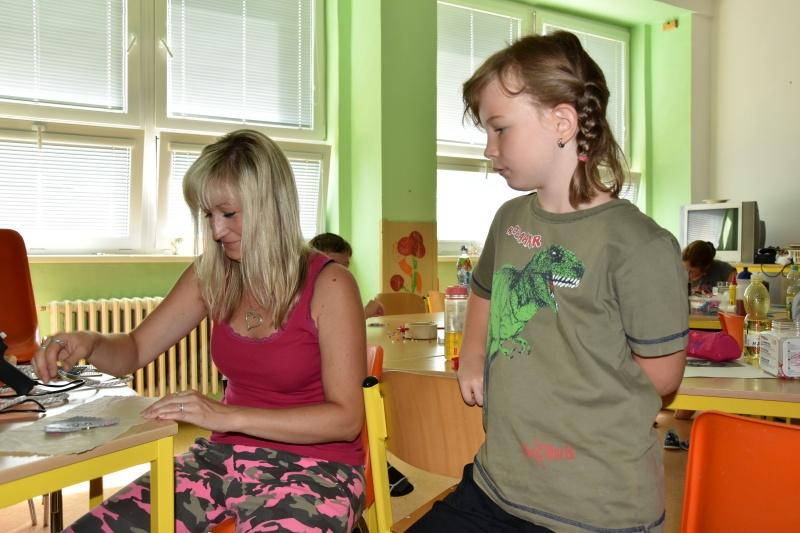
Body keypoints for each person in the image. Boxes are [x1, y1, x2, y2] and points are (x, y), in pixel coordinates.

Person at [409, 32, 688, 533]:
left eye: (500, 129)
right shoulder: (509, 219)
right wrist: (472, 354)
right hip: (497, 487)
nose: (489, 149)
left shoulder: (639, 244)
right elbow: (485, 289)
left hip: (596, 509)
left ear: (562, 122)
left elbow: (662, 377)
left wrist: (567, 391)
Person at [33, 130, 368, 532]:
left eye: (228, 214)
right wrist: (90, 342)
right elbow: (135, 349)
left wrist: (226, 414)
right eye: (208, 215)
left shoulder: (331, 285)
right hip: (222, 459)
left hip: (318, 469)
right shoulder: (210, 275)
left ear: (270, 207)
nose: (215, 231)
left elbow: (345, 419)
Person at [309, 231, 415, 498]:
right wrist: (364, 312)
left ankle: (377, 464)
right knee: (359, 402)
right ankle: (376, 466)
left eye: (344, 266)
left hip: (331, 386)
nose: (338, 272)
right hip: (316, 392)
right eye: (333, 264)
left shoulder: (334, 290)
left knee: (363, 397)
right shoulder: (308, 293)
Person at [309, 232, 385, 318]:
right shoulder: (313, 293)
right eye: (335, 266)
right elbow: (333, 325)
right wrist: (365, 313)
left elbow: (338, 318)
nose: (343, 274)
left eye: (345, 267)